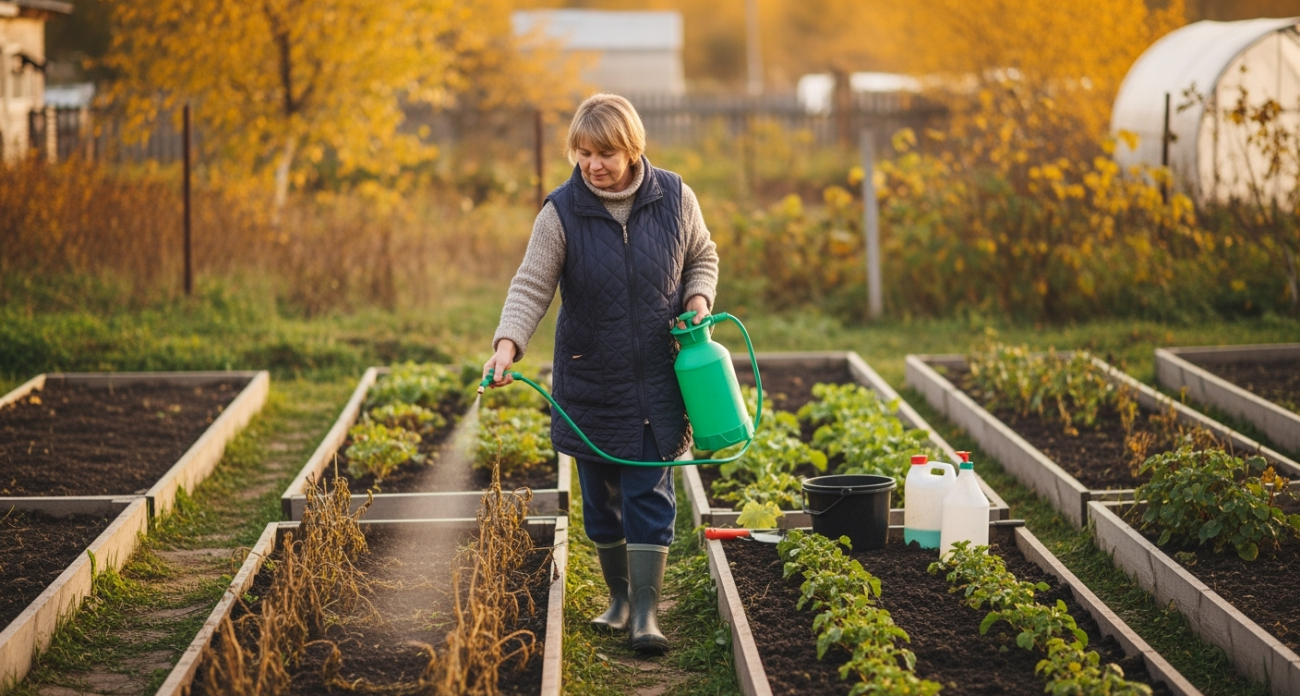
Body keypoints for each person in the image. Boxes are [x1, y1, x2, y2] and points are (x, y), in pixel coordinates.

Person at [483, 93, 718, 655]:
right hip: (590, 379)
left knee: (649, 494)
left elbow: (702, 255)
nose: (594, 164)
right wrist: (506, 346)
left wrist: (699, 298)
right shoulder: (561, 211)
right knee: (601, 498)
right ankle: (616, 600)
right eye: (584, 152)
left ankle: (645, 613)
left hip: (659, 379)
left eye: (606, 152)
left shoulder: (675, 197)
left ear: (632, 148)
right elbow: (532, 284)